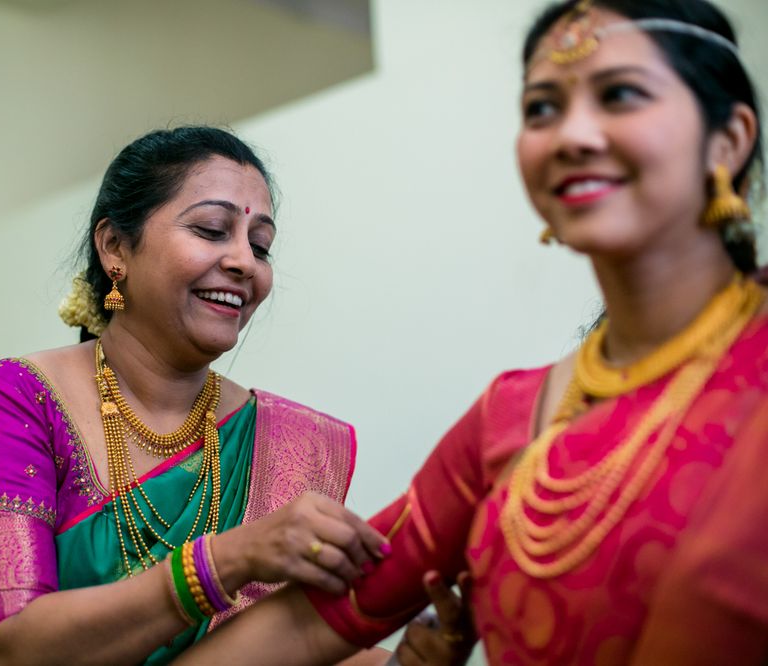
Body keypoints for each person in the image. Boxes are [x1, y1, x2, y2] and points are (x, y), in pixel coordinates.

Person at [173, 1, 768, 664]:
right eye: (542, 108)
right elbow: (314, 624)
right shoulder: (509, 419)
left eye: (620, 95)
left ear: (730, 138)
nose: (572, 135)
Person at [0, 126, 472, 666]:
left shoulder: (290, 444)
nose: (245, 262)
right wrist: (225, 561)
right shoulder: (20, 401)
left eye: (260, 245)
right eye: (213, 229)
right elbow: (10, 651)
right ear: (115, 247)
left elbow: (283, 651)